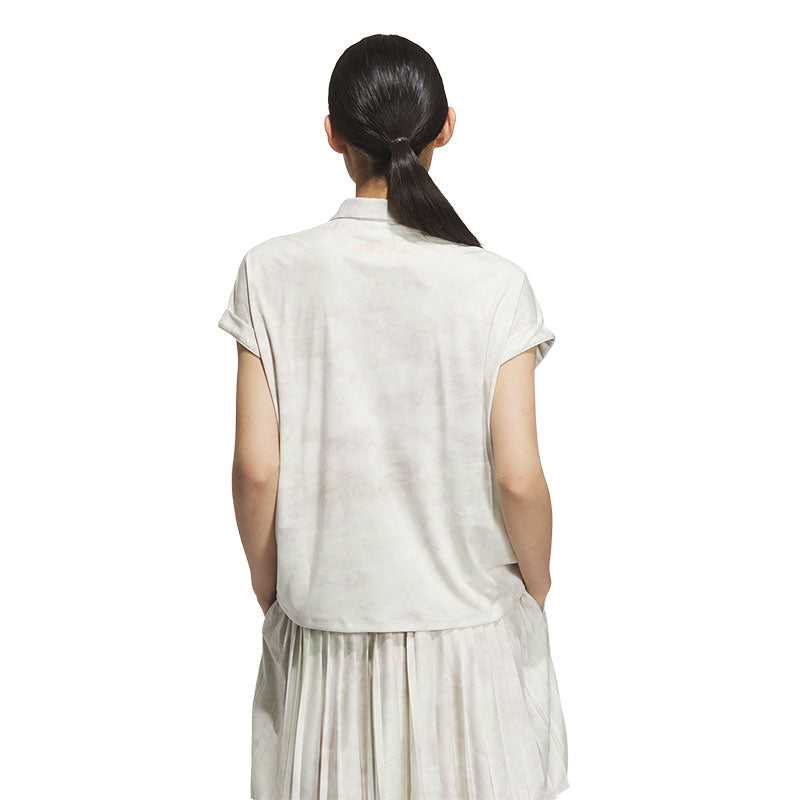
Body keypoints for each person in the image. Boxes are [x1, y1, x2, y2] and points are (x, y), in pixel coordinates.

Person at [218, 33, 569, 800]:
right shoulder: (496, 284)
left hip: (326, 643)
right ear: (446, 128)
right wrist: (537, 586)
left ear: (332, 134)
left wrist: (271, 585)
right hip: (467, 646)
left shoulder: (269, 273)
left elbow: (255, 469)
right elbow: (518, 477)